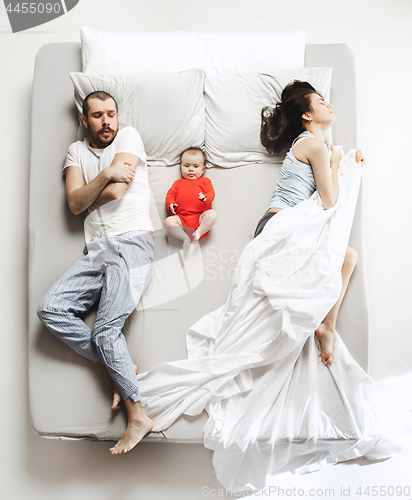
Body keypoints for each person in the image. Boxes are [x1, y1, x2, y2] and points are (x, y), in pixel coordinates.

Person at [37, 91, 155, 454]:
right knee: (50, 309)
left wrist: (93, 189)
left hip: (133, 243)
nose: (107, 121)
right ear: (84, 120)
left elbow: (118, 192)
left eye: (111, 114)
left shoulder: (129, 136)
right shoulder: (76, 152)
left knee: (106, 331)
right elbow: (74, 204)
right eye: (98, 116)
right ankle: (119, 363)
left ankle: (138, 416)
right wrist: (106, 172)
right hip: (96, 251)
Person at [258, 80, 365, 366]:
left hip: (279, 224)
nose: (328, 105)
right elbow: (329, 200)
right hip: (278, 225)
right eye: (320, 101)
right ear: (307, 115)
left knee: (348, 256)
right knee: (346, 257)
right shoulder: (314, 146)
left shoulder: (313, 145)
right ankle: (326, 326)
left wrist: (350, 163)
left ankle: (326, 326)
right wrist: (336, 163)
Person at [165, 147, 217, 248]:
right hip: (182, 218)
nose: (191, 169)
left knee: (212, 214)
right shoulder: (178, 183)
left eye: (196, 166)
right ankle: (185, 237)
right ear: (181, 167)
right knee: (168, 222)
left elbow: (211, 194)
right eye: (187, 166)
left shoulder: (205, 181)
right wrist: (170, 203)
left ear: (203, 169)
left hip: (200, 217)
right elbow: (170, 194)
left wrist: (205, 198)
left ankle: (198, 232)